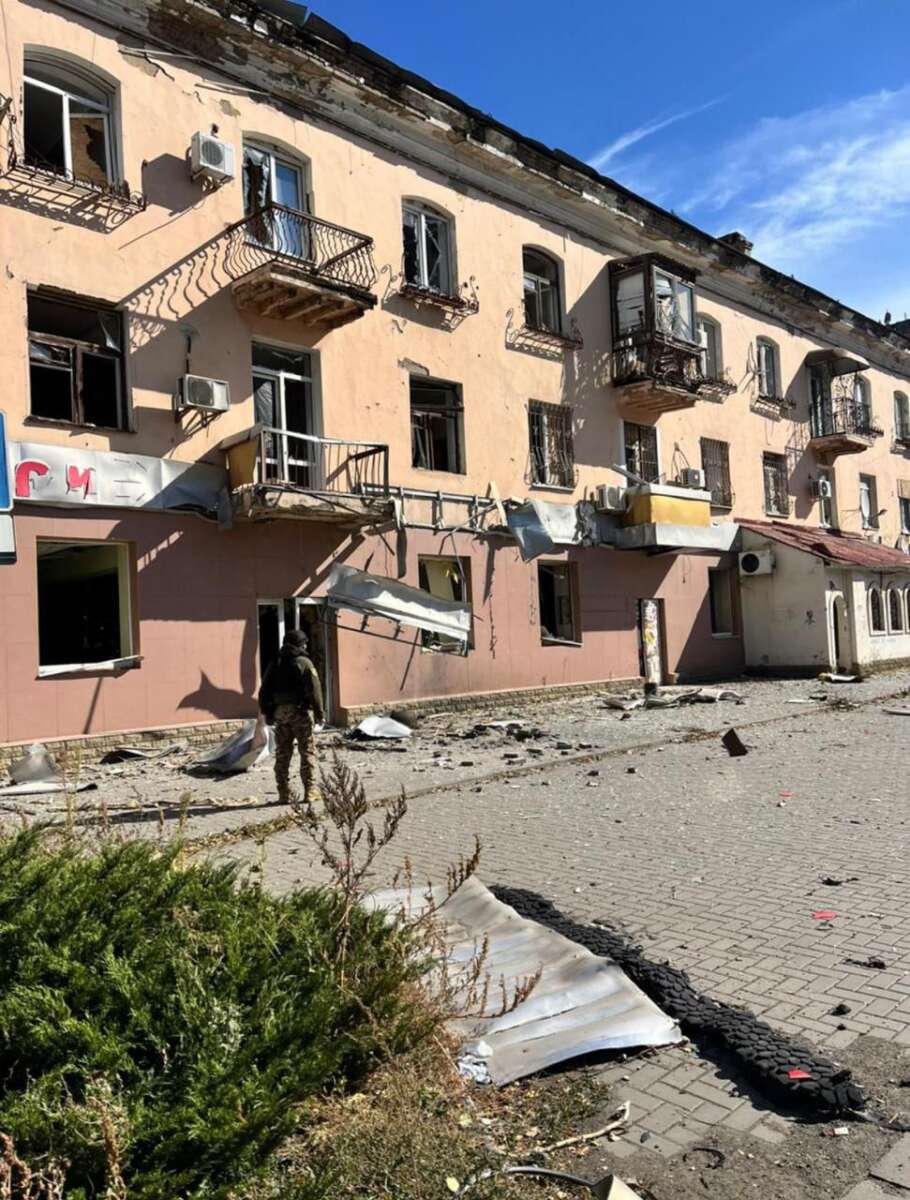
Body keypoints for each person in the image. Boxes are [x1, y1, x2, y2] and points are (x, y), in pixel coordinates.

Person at [258, 628, 324, 806]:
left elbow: (263, 692)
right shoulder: (304, 663)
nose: (306, 646)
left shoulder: (275, 663)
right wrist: (320, 714)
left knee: (282, 753)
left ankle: (283, 793)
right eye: (304, 643)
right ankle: (310, 791)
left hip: (280, 714)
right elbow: (315, 690)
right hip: (299, 713)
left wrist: (267, 713)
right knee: (307, 751)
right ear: (300, 644)